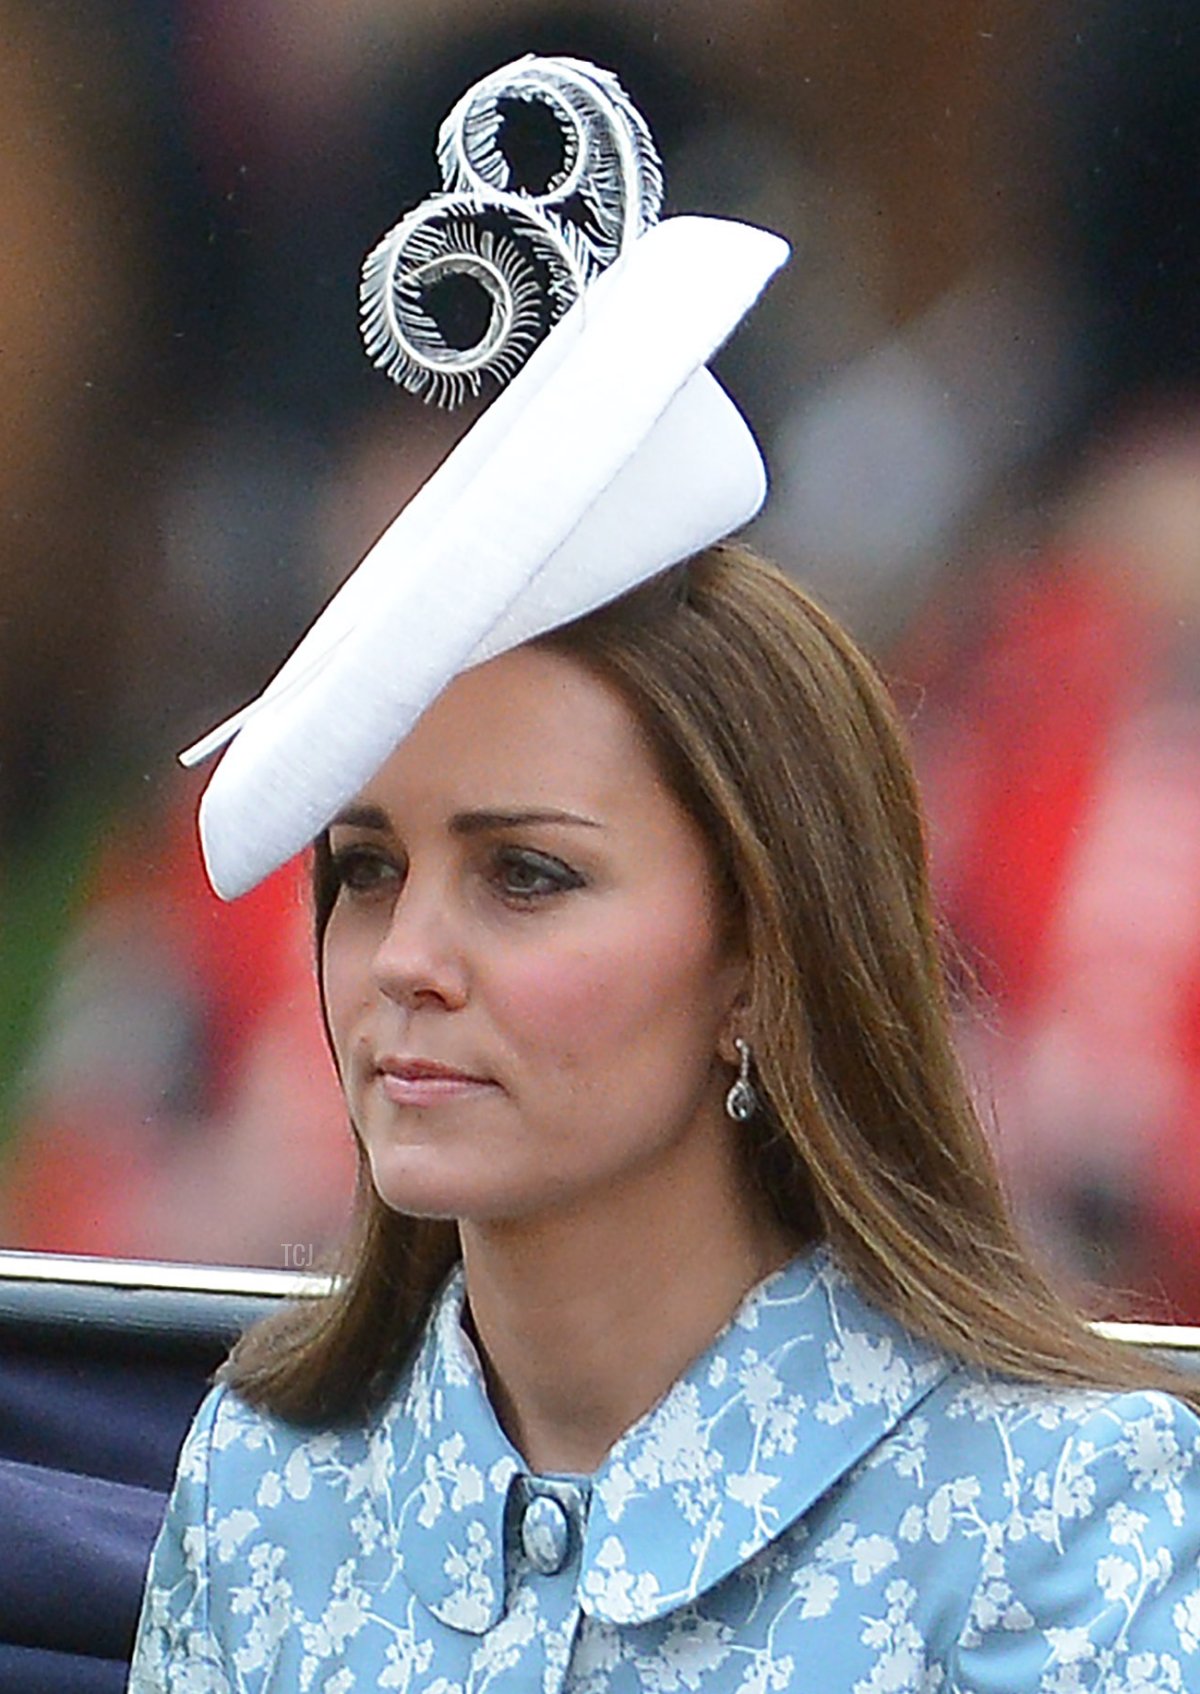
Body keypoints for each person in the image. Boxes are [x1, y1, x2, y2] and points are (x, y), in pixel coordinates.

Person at [128, 54, 1200, 1693]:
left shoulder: (1060, 1517)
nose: (404, 954)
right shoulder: (266, 1489)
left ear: (763, 949)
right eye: (362, 869)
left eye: (528, 876)